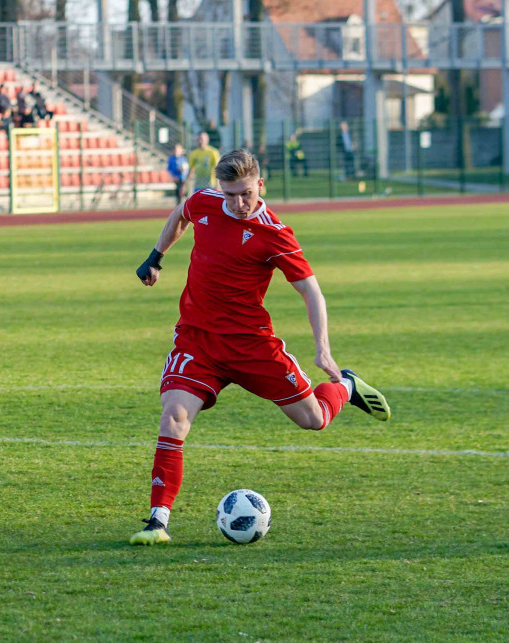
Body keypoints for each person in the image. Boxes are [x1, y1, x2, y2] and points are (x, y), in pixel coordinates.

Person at [129, 148, 390, 545]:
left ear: (260, 185)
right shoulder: (205, 202)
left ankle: (347, 387)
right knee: (174, 417)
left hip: (252, 346)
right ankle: (157, 522)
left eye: (246, 194)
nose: (238, 203)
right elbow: (181, 214)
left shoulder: (274, 232)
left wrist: (323, 349)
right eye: (230, 194)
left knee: (313, 419)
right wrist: (155, 257)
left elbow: (311, 291)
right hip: (198, 340)